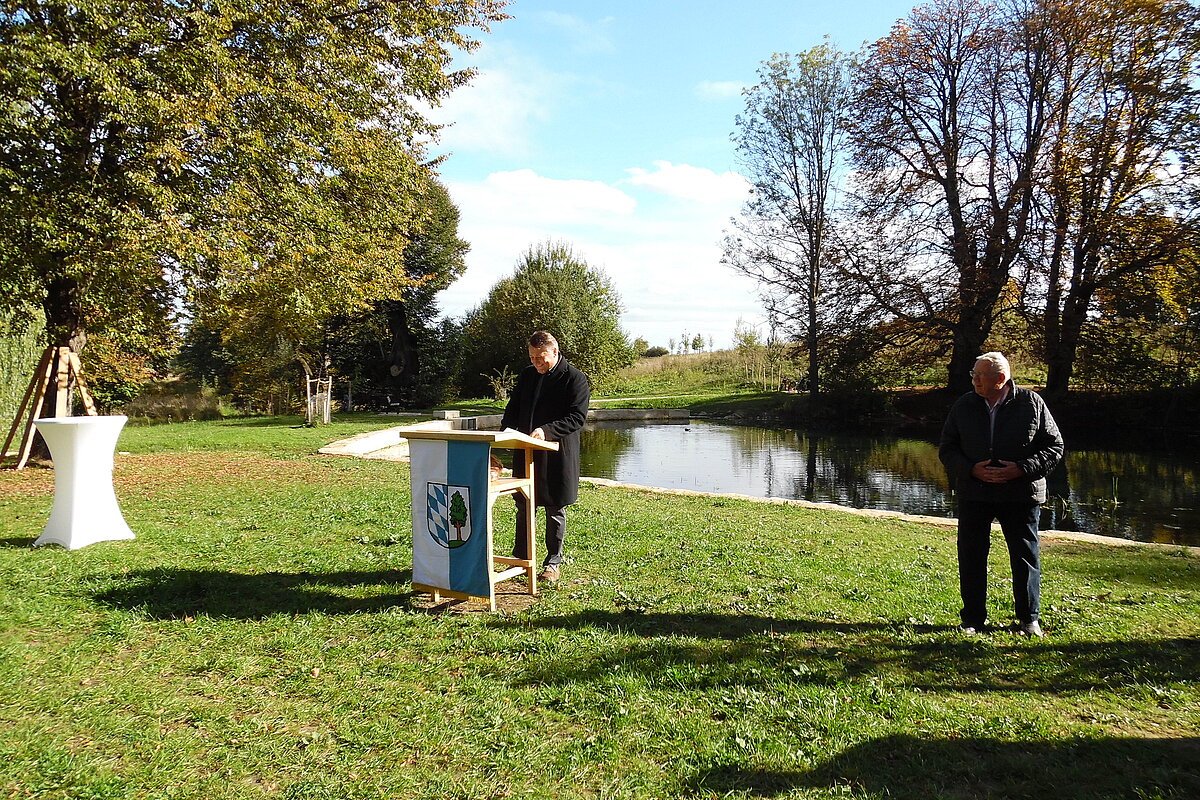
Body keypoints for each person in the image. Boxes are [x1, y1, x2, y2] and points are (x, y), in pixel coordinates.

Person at [939, 352, 1064, 637]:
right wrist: (971, 469)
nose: (974, 380)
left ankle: (1029, 620)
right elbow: (947, 448)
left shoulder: (1031, 403)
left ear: (1000, 379)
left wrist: (1021, 469)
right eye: (973, 374)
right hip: (975, 492)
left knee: (1024, 556)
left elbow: (1054, 447)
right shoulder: (964, 405)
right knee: (971, 556)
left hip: (1020, 493)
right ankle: (972, 619)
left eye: (980, 376)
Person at [501, 331, 590, 583]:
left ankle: (552, 563)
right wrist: (505, 432)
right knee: (524, 505)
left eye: (541, 357)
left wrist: (546, 431)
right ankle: (521, 558)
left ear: (555, 352)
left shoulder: (575, 378)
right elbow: (513, 408)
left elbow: (577, 417)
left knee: (554, 508)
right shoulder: (527, 375)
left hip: (556, 453)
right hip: (525, 450)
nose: (536, 362)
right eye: (532, 357)